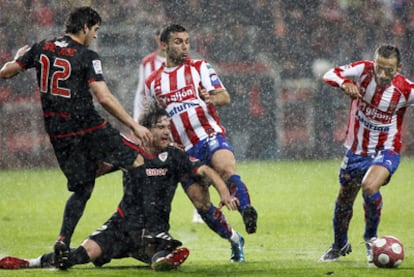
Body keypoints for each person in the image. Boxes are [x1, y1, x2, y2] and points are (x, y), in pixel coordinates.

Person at [0, 102, 239, 271]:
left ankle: (163, 257)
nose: (167, 131)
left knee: (158, 248)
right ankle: (29, 262)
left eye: (168, 127)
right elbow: (99, 169)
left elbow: (206, 171)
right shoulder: (129, 153)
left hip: (152, 231)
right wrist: (83, 171)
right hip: (121, 226)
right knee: (75, 258)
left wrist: (225, 193)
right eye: (161, 127)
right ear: (147, 130)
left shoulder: (175, 156)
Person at [0, 6, 152, 265]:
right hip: (88, 127)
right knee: (141, 160)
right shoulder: (87, 55)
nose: (95, 35)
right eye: (95, 30)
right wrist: (133, 125)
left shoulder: (41, 47)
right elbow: (103, 97)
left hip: (59, 134)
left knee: (83, 187)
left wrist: (17, 57)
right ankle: (134, 229)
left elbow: (5, 72)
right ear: (84, 28)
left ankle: (63, 240)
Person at [144, 24, 258, 261]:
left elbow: (225, 97)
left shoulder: (200, 67)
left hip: (208, 134)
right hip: (183, 151)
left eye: (186, 41)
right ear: (164, 45)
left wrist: (212, 97)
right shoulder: (153, 82)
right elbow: (152, 117)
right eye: (178, 42)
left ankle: (247, 209)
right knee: (202, 204)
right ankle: (236, 239)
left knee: (226, 168)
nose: (184, 46)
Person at [319, 45, 414, 263]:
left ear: (398, 68)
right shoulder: (362, 70)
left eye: (389, 70)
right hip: (356, 151)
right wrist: (345, 82)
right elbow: (329, 74)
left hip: (386, 151)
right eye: (379, 68)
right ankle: (339, 244)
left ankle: (372, 240)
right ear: (374, 62)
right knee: (344, 198)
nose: (382, 74)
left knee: (370, 186)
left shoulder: (405, 89)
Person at [132, 26, 203, 224]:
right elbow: (141, 93)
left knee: (189, 162)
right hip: (158, 124)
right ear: (160, 41)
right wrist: (140, 122)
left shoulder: (186, 64)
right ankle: (150, 209)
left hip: (179, 121)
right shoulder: (147, 63)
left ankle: (199, 207)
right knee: (159, 165)